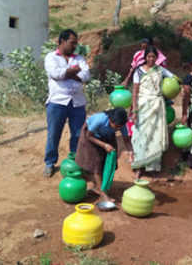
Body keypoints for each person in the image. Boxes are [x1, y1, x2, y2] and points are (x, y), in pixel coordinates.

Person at [43, 29, 90, 178]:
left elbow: (86, 76)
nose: (75, 46)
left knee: (78, 135)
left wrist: (68, 73)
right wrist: (75, 72)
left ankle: (76, 163)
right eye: (72, 43)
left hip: (77, 103)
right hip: (57, 101)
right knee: (53, 134)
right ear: (61, 41)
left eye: (76, 43)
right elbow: (55, 74)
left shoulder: (80, 58)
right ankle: (50, 163)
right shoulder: (51, 57)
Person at [131, 45, 176, 179]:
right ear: (145, 58)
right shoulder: (138, 71)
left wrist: (179, 86)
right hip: (143, 106)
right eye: (149, 56)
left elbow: (173, 78)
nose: (151, 59)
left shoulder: (160, 70)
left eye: (153, 57)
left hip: (157, 106)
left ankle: (153, 168)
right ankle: (139, 167)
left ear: (157, 58)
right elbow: (135, 92)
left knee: (155, 136)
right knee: (141, 135)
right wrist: (134, 110)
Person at [75, 107, 133, 202]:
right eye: (116, 126)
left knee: (107, 163)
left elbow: (126, 140)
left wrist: (130, 152)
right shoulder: (100, 119)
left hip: (106, 135)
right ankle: (104, 195)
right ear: (110, 120)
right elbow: (89, 136)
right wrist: (104, 145)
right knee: (97, 164)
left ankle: (96, 187)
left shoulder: (120, 124)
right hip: (92, 136)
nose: (118, 129)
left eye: (120, 127)